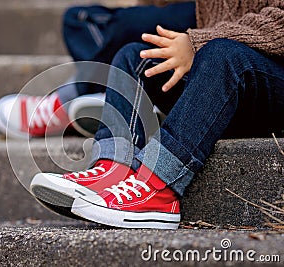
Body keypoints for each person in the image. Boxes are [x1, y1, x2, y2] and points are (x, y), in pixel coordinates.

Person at [30, 0, 284, 229]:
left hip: (267, 84)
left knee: (222, 54)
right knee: (133, 56)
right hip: (222, 82)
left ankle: (157, 189)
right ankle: (112, 170)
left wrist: (198, 43)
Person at [0, 1, 196, 138]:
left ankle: (72, 99)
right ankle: (115, 94)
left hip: (205, 28)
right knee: (78, 20)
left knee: (101, 24)